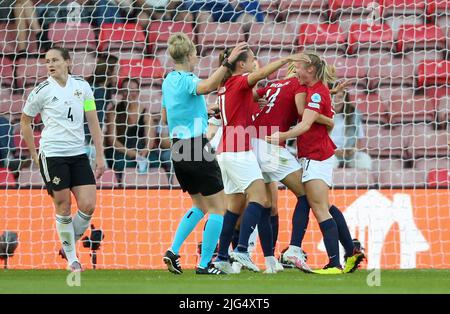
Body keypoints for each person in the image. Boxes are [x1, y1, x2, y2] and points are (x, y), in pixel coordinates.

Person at [267, 52, 364, 274]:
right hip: (315, 154)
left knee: (320, 208)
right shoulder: (317, 91)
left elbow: (304, 122)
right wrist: (328, 109)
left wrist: (278, 137)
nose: (295, 72)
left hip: (316, 155)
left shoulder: (317, 93)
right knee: (323, 205)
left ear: (310, 69)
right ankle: (350, 252)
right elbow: (315, 108)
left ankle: (334, 263)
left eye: (298, 68)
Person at [161, 32, 247, 275]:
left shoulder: (168, 81)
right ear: (189, 55)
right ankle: (204, 264)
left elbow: (168, 116)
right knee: (219, 209)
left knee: (199, 205)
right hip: (196, 147)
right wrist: (227, 64)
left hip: (178, 149)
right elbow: (208, 85)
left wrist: (202, 112)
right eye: (195, 53)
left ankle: (173, 250)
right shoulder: (189, 78)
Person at [213, 45, 304, 273]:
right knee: (261, 199)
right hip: (238, 148)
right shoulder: (239, 81)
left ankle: (222, 257)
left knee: (234, 207)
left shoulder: (225, 86)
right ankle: (242, 250)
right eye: (253, 59)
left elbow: (241, 104)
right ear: (241, 65)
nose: (256, 63)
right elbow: (261, 75)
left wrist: (254, 103)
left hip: (225, 150)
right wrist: (286, 60)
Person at [20, 47, 105, 272]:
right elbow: (25, 122)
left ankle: (67, 246)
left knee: (88, 205)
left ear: (67, 62)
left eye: (55, 60)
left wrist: (100, 155)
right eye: (48, 61)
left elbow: (93, 121)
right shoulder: (41, 91)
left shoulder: (82, 87)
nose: (51, 64)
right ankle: (72, 260)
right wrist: (34, 155)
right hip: (53, 154)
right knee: (64, 206)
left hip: (78, 154)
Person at [104, 77, 171, 184]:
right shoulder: (113, 112)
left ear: (138, 92)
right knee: (121, 164)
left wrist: (146, 150)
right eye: (126, 90)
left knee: (155, 163)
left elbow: (150, 139)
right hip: (121, 150)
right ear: (122, 92)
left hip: (141, 150)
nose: (130, 93)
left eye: (133, 90)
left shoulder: (145, 112)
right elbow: (112, 140)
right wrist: (131, 153)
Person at [330, 89, 372, 170]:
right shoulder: (321, 115)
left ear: (345, 99)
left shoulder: (354, 115)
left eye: (340, 97)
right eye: (333, 97)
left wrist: (352, 150)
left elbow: (358, 140)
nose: (336, 100)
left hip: (349, 154)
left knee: (364, 160)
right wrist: (334, 151)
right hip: (330, 154)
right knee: (330, 163)